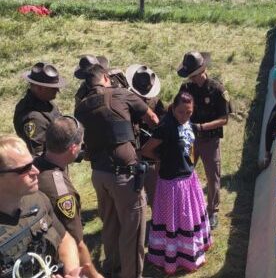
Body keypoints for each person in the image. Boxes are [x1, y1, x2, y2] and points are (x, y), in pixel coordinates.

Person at [75, 65, 159, 278]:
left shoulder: (81, 107)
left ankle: (113, 269)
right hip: (124, 176)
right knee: (133, 232)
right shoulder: (121, 93)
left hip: (99, 175)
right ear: (105, 77)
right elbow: (153, 119)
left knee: (110, 225)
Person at [142, 92, 212, 274]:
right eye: (181, 112)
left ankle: (190, 251)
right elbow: (146, 150)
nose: (185, 116)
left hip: (188, 180)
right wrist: (161, 158)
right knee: (174, 221)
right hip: (171, 184)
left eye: (189, 112)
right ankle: (173, 257)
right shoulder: (165, 127)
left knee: (189, 218)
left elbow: (191, 147)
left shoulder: (190, 124)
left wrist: (190, 164)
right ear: (173, 109)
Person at [0, 135, 86, 278]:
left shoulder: (37, 199)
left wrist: (71, 272)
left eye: (32, 163)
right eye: (25, 169)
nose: (36, 171)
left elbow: (65, 240)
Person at [34, 116, 102, 277]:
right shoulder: (62, 192)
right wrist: (94, 274)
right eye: (81, 144)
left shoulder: (34, 165)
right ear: (73, 148)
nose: (81, 148)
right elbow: (76, 243)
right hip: (58, 263)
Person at [177, 51, 231, 229]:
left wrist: (201, 127)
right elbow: (177, 109)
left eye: (193, 75)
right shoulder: (186, 89)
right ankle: (186, 207)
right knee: (184, 173)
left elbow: (224, 118)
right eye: (190, 76)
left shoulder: (217, 90)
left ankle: (212, 210)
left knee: (212, 176)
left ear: (203, 70)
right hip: (189, 140)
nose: (191, 79)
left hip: (209, 140)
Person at [125, 64, 166, 207]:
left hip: (150, 153)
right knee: (133, 194)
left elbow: (163, 126)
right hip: (130, 152)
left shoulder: (155, 102)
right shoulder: (124, 101)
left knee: (155, 192)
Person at [14, 62, 64, 156]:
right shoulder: (33, 118)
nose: (58, 91)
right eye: (53, 88)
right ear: (40, 88)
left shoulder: (46, 103)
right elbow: (38, 155)